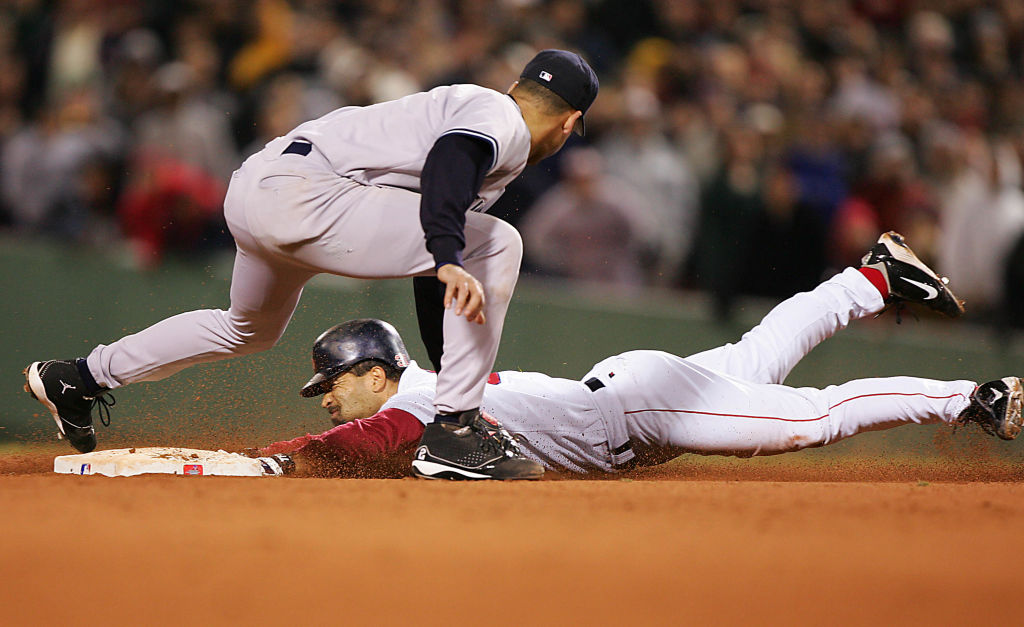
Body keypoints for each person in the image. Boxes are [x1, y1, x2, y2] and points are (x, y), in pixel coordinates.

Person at [23, 49, 600, 481]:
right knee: (499, 243)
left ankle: (80, 374)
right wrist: (449, 259)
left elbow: (435, 264)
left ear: (519, 84)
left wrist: (449, 360)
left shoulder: (476, 108)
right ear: (571, 121)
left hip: (259, 187)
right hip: (313, 194)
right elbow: (452, 166)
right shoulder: (497, 115)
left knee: (244, 328)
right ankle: (454, 432)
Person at [256, 233, 1020, 478]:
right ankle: (875, 277)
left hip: (638, 406)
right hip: (634, 394)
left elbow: (364, 439)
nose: (326, 394)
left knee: (806, 420)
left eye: (332, 381)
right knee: (758, 357)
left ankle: (973, 398)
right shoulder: (428, 388)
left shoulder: (413, 399)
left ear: (373, 372)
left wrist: (285, 458)